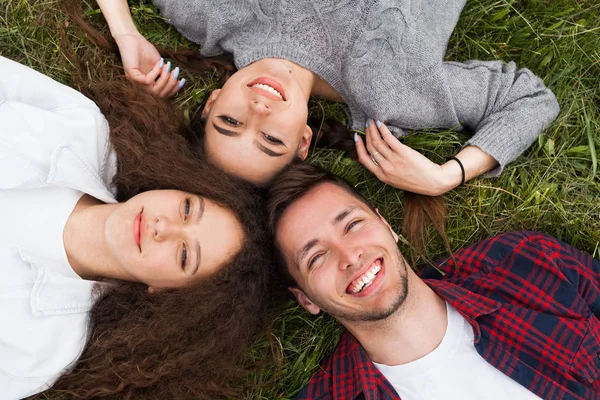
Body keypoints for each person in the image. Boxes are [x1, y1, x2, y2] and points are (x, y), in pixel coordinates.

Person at [0, 56, 277, 400]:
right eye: (188, 208)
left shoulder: (44, 350)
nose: (164, 227)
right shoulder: (82, 127)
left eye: (184, 254)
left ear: (165, 292)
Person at [87, 0, 559, 195]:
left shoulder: (210, 16)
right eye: (271, 139)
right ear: (304, 141)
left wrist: (125, 32)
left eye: (230, 122)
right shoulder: (392, 94)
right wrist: (445, 176)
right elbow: (529, 99)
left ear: (211, 102)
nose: (259, 109)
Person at [266, 162, 600, 400]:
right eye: (316, 257)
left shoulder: (525, 263)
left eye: (352, 224)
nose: (350, 256)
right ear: (307, 299)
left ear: (386, 225)